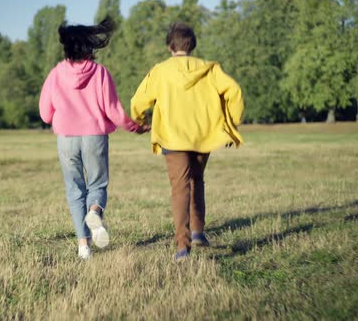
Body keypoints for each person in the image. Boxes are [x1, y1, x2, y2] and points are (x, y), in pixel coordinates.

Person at [130, 22, 244, 260]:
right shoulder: (210, 69)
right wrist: (231, 122)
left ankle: (183, 246)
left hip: (173, 136)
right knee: (197, 180)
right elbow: (234, 91)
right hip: (204, 135)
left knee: (180, 188)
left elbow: (138, 101)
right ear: (192, 45)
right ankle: (198, 232)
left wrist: (139, 122)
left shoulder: (160, 70)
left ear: (170, 46)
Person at [39, 16, 149, 260]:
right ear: (90, 46)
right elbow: (113, 111)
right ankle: (95, 211)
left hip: (66, 138)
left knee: (74, 189)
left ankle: (83, 246)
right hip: (95, 136)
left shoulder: (56, 74)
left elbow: (45, 114)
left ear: (66, 46)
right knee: (97, 185)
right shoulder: (100, 73)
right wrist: (135, 127)